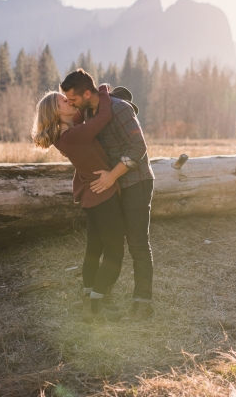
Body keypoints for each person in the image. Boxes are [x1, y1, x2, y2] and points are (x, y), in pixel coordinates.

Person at [61, 69, 156, 321]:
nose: (71, 105)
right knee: (108, 242)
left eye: (73, 100)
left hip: (135, 183)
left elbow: (139, 147)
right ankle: (100, 297)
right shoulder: (91, 112)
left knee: (137, 243)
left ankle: (143, 303)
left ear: (87, 93)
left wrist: (112, 175)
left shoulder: (120, 108)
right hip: (112, 187)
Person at [31, 85, 124, 323]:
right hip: (101, 194)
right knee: (114, 252)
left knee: (94, 249)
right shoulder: (73, 135)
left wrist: (88, 97)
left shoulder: (68, 131)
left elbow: (84, 111)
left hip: (92, 195)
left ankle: (88, 297)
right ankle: (95, 305)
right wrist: (101, 90)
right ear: (55, 112)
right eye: (65, 102)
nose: (71, 103)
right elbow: (103, 116)